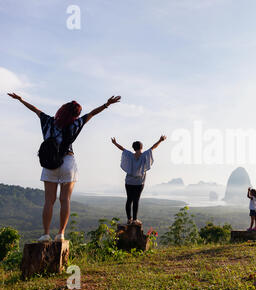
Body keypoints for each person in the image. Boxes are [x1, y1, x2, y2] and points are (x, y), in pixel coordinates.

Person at [7, 92, 121, 242]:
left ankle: (46, 233)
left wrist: (21, 100)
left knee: (49, 201)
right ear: (75, 114)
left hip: (50, 162)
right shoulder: (74, 124)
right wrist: (107, 104)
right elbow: (92, 113)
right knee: (65, 199)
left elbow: (34, 109)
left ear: (62, 110)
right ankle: (61, 234)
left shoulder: (48, 121)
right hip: (67, 161)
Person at [111, 135, 166, 225]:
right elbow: (153, 147)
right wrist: (160, 140)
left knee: (129, 200)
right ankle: (135, 220)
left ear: (133, 148)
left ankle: (129, 219)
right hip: (139, 182)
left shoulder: (129, 155)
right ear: (141, 147)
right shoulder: (145, 155)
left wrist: (115, 143)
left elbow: (122, 148)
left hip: (129, 181)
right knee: (136, 200)